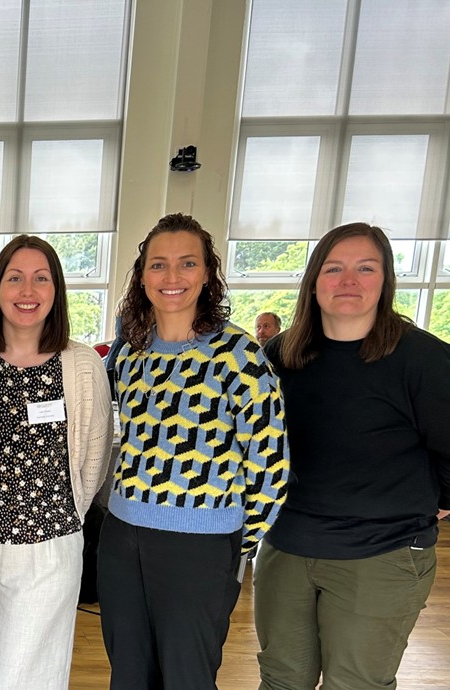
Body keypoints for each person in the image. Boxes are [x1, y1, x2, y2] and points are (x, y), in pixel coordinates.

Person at [254, 222, 450, 690]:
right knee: (282, 679)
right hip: (287, 546)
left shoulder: (422, 358)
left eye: (365, 268)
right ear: (314, 281)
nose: (348, 281)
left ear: (385, 280)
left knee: (355, 683)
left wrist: (439, 498)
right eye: (334, 268)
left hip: (381, 554)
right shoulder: (282, 354)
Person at [100, 213, 290, 690]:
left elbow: (271, 464)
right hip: (123, 538)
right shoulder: (129, 354)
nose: (172, 277)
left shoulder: (239, 355)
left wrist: (233, 547)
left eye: (187, 263)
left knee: (187, 677)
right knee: (128, 674)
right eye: (159, 265)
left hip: (202, 546)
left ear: (207, 274)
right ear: (142, 276)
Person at [0, 236, 114, 690]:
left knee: (30, 676)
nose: (27, 290)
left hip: (49, 546)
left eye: (41, 279)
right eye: (15, 277)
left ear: (56, 290)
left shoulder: (82, 364)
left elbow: (92, 459)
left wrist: (63, 519)